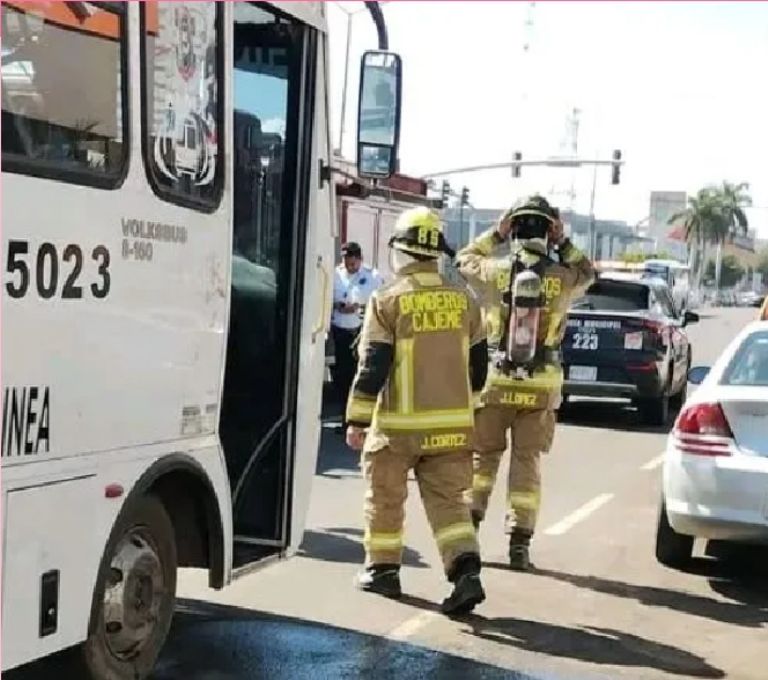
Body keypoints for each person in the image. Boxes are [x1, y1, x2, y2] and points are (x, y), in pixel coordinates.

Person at [345, 207, 489, 615]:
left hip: (397, 429)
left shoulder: (387, 300)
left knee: (385, 496)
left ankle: (383, 572)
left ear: (401, 252)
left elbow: (373, 365)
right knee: (450, 506)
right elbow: (479, 369)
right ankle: (466, 574)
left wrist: (357, 419)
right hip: (452, 430)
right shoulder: (466, 301)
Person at [457, 195, 595, 571]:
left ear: (514, 227)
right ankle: (519, 546)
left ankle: (467, 536)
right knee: (526, 463)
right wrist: (564, 242)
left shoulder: (494, 271)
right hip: (541, 386)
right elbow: (589, 272)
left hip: (496, 382)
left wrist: (495, 233)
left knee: (482, 461)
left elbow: (463, 259)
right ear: (548, 231)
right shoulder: (563, 276)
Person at [331, 242, 383, 428]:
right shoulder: (335, 275)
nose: (349, 266)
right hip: (340, 331)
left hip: (361, 333)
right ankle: (346, 419)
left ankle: (363, 420)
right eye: (346, 262)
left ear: (360, 259)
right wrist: (338, 306)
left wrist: (358, 307)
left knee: (361, 375)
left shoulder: (373, 277)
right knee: (342, 377)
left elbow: (378, 303)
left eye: (352, 263)